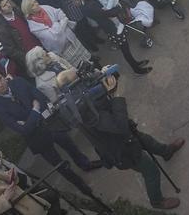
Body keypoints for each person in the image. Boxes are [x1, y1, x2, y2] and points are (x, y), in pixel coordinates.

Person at [76, 71, 183, 209]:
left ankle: (166, 151)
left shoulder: (82, 105)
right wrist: (116, 96)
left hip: (126, 138)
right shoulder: (90, 114)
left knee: (147, 140)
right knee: (150, 170)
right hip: (122, 150)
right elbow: (120, 126)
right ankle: (157, 201)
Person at [0, 67, 99, 195]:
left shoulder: (18, 82)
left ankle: (86, 164)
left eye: (0, 79)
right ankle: (81, 185)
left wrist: (31, 118)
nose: (0, 84)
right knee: (60, 164)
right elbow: (24, 130)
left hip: (49, 124)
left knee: (71, 146)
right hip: (37, 139)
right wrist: (35, 110)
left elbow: (40, 97)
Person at [71, 0, 151, 74]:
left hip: (112, 24)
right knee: (125, 49)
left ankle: (136, 64)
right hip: (111, 27)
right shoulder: (87, 6)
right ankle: (137, 69)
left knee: (126, 48)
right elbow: (107, 13)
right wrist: (118, 8)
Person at [22, 0, 92, 68]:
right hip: (62, 49)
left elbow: (60, 13)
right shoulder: (33, 27)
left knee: (88, 58)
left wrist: (56, 26)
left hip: (71, 39)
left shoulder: (44, 7)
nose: (36, 4)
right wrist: (58, 23)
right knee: (79, 66)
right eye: (33, 5)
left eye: (35, 1)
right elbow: (53, 37)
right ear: (29, 10)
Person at [0, 0, 40, 71]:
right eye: (4, 5)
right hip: (31, 59)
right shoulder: (2, 30)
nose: (8, 5)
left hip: (40, 47)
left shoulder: (18, 12)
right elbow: (12, 51)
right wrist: (28, 58)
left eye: (7, 2)